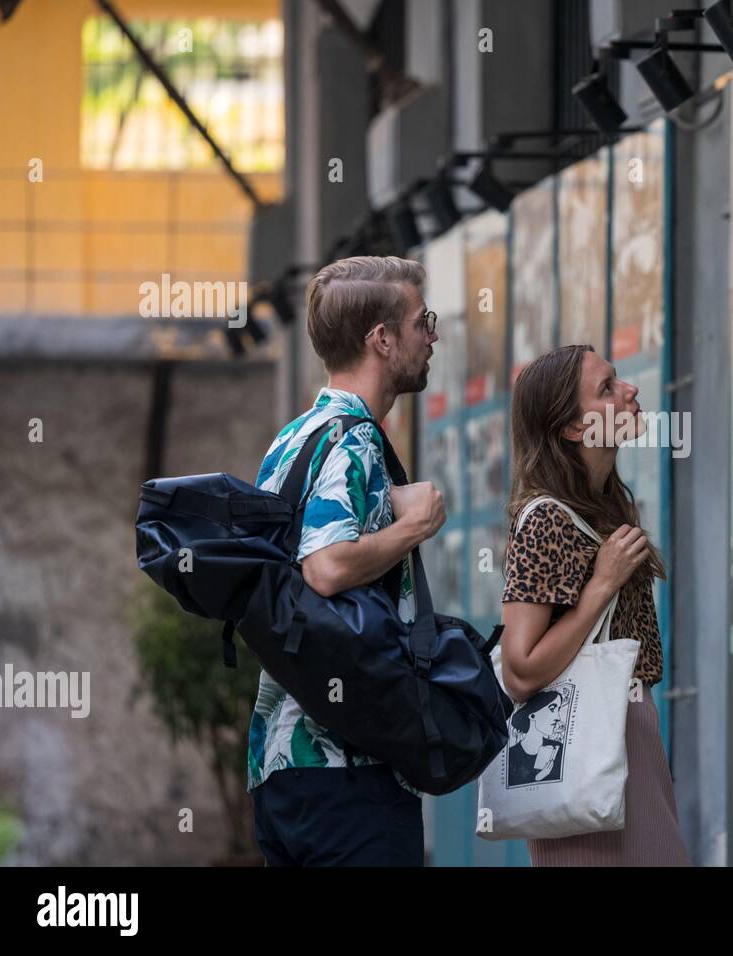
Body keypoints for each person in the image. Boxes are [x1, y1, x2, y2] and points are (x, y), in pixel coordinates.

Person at [248, 256, 445, 866]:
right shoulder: (353, 436)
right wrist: (415, 525)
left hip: (280, 763)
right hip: (347, 766)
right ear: (382, 340)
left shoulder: (295, 436)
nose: (432, 335)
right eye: (422, 322)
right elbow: (327, 566)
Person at [500, 345, 690, 866]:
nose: (630, 391)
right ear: (570, 428)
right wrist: (600, 586)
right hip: (584, 749)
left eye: (619, 380)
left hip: (630, 739)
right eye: (606, 388)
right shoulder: (547, 520)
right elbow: (519, 671)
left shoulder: (605, 507)